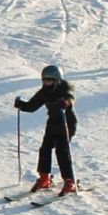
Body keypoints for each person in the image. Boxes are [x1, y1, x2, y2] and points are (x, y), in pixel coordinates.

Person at [13, 65, 80, 195]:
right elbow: (32, 106)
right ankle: (45, 178)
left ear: (57, 80)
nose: (47, 83)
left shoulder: (64, 92)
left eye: (50, 80)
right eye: (45, 80)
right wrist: (21, 105)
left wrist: (66, 103)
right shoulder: (44, 92)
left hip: (67, 124)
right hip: (53, 124)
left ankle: (69, 181)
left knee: (62, 151)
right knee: (45, 149)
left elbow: (71, 99)